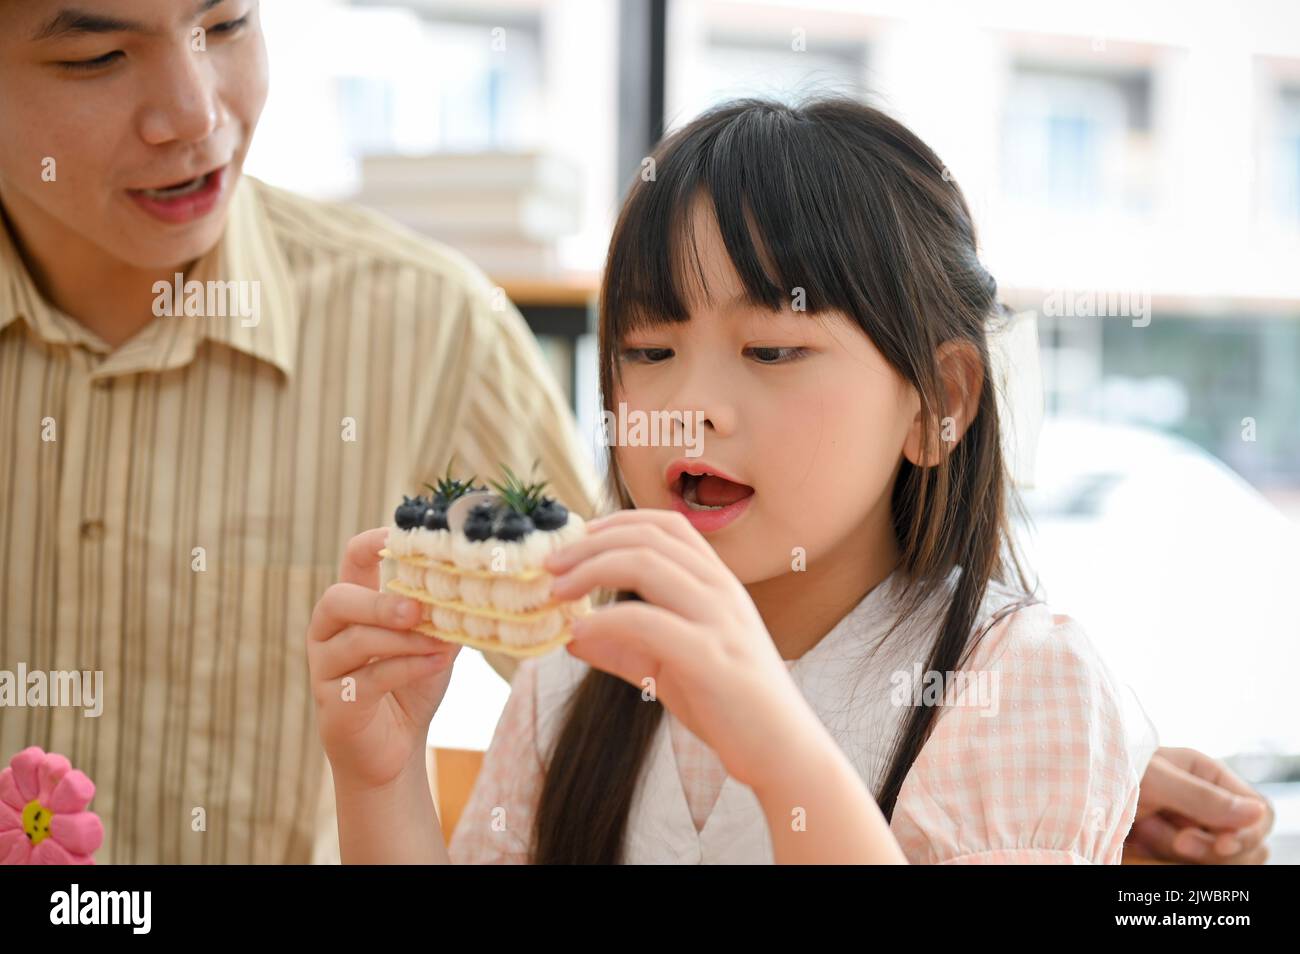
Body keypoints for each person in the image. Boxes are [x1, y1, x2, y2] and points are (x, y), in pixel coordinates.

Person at [310, 97, 1275, 864]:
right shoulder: (569, 684)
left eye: (771, 348)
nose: (688, 407)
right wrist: (378, 778)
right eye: (648, 348)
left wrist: (773, 740)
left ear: (937, 402)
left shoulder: (1021, 686)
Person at [0, 0, 598, 863]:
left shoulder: (434, 332)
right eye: (98, 56)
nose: (198, 113)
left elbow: (629, 722)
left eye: (229, 24)